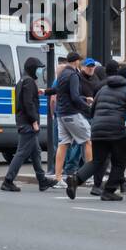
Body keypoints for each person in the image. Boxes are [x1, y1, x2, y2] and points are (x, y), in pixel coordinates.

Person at [65, 65, 126, 201]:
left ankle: (76, 179)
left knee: (97, 161)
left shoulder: (103, 89)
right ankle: (109, 191)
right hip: (115, 131)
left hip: (97, 130)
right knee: (120, 161)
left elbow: (91, 111)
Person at [2, 56, 54, 192]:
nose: (38, 72)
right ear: (32, 69)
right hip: (27, 123)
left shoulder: (21, 81)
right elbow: (28, 103)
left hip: (22, 121)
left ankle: (42, 181)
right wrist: (34, 121)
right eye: (37, 69)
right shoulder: (29, 82)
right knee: (21, 153)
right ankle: (8, 180)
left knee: (36, 152)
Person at [52, 53, 93, 186]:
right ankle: (89, 175)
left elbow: (57, 91)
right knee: (87, 141)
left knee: (63, 144)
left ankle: (58, 178)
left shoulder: (62, 74)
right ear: (76, 62)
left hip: (61, 114)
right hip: (72, 113)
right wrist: (88, 109)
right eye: (79, 61)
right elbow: (75, 97)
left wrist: (44, 91)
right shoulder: (73, 75)